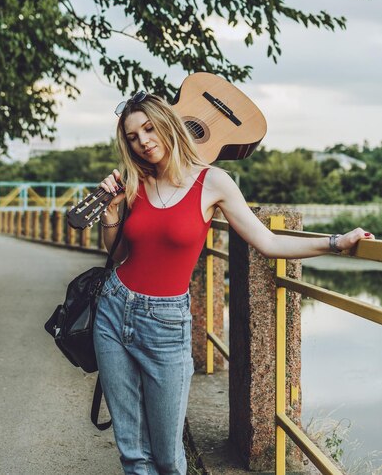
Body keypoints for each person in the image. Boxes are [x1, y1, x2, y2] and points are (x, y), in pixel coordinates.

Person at [93, 91, 374, 475]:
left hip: (165, 323)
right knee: (132, 451)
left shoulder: (214, 182)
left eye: (148, 128)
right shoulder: (134, 182)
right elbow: (120, 253)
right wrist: (110, 213)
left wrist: (335, 243)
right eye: (132, 136)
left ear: (168, 123)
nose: (143, 140)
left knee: (168, 457)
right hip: (114, 309)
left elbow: (269, 242)